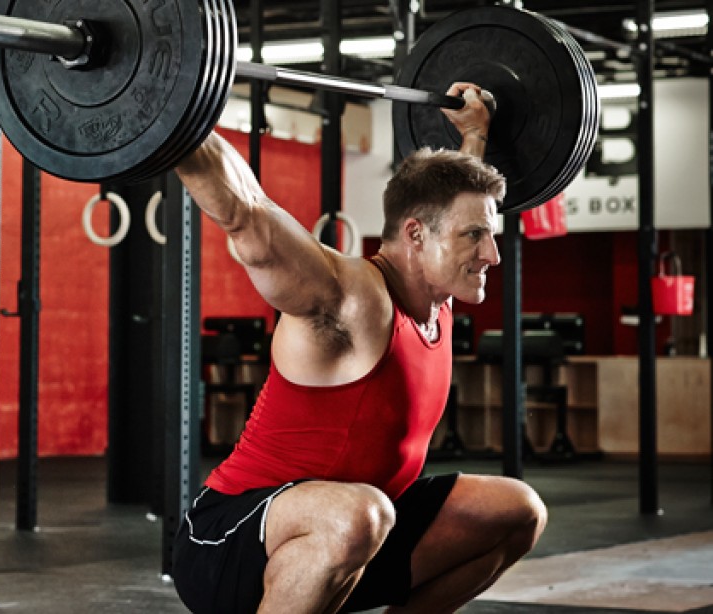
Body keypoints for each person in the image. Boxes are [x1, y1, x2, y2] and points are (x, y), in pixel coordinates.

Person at [170, 83, 547, 614]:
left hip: (362, 529)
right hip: (231, 543)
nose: (492, 254)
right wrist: (169, 106)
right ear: (416, 237)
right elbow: (246, 213)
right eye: (475, 237)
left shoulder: (434, 294)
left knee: (517, 510)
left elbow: (451, 203)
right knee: (361, 513)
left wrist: (475, 134)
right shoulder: (350, 298)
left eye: (491, 235)